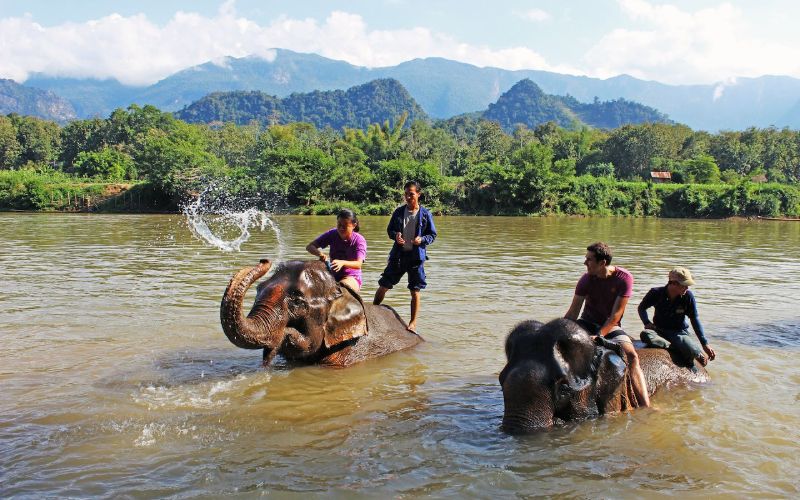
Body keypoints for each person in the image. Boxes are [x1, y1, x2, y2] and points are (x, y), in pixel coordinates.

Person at [564, 242, 651, 407]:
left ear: (602, 263)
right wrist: (556, 330)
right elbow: (573, 313)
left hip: (610, 326)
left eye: (589, 260)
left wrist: (600, 335)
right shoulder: (585, 280)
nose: (585, 263)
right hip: (586, 323)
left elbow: (615, 315)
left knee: (632, 356)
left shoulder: (624, 278)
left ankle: (645, 404)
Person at [373, 181, 437, 332]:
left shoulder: (425, 214)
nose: (408, 197)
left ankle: (413, 323)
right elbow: (390, 230)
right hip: (398, 256)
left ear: (418, 194)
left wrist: (421, 240)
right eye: (406, 194)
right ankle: (372, 311)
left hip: (416, 258)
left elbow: (432, 235)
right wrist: (396, 236)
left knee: (415, 290)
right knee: (384, 285)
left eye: (411, 194)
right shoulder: (398, 212)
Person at [637, 267, 716, 368]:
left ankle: (691, 350)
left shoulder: (688, 296)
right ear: (673, 284)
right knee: (645, 334)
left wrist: (705, 344)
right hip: (659, 331)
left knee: (684, 343)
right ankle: (675, 347)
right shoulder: (656, 293)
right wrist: (646, 322)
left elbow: (694, 319)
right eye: (684, 285)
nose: (687, 288)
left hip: (679, 333)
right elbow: (641, 308)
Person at [306, 209, 367, 291]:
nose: (341, 228)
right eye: (339, 225)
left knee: (340, 289)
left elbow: (358, 264)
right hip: (331, 275)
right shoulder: (332, 234)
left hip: (352, 277)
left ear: (354, 225)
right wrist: (320, 254)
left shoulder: (359, 240)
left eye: (345, 226)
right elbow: (310, 246)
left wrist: (342, 262)